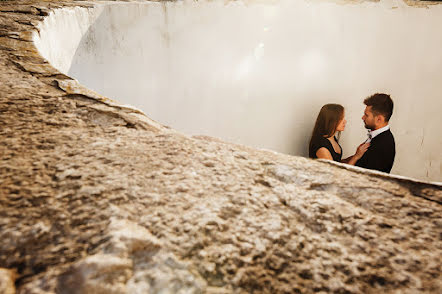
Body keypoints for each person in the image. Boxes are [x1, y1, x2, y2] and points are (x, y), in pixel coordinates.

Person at [355, 93, 395, 173]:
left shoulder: (383, 145)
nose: (363, 118)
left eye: (366, 115)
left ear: (379, 119)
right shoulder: (377, 137)